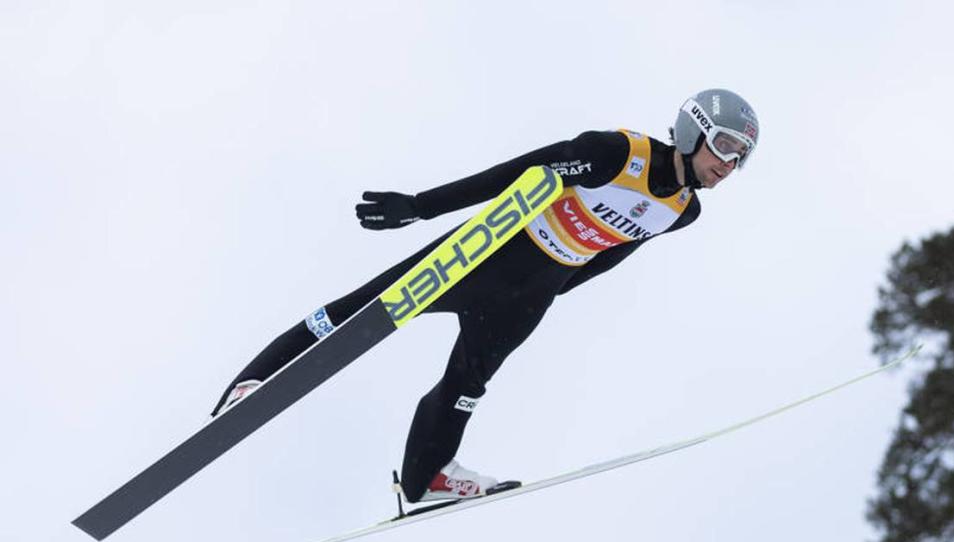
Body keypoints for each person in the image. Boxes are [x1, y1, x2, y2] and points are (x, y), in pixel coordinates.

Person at [211, 89, 760, 507]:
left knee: (467, 386)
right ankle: (256, 380)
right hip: (491, 255)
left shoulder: (683, 212)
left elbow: (615, 250)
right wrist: (420, 206)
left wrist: (553, 291)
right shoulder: (617, 154)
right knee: (369, 306)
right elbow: (519, 173)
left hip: (534, 291)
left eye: (741, 158)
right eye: (726, 148)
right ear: (694, 132)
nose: (729, 165)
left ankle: (427, 477)